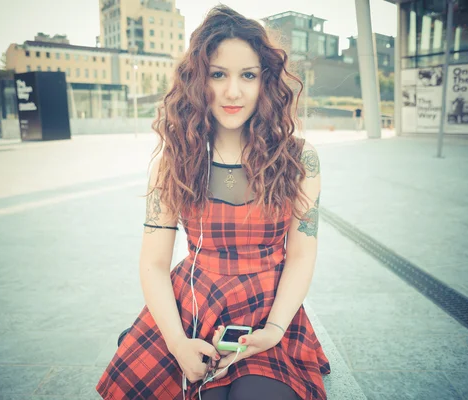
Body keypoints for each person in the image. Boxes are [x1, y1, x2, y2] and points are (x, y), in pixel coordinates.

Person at [96, 5, 330, 400]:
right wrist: (175, 342)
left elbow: (301, 256)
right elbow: (153, 263)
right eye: (218, 74)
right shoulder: (174, 162)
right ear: (197, 80)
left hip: (268, 310)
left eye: (248, 75)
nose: (233, 91)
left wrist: (273, 331)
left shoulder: (299, 158)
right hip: (193, 305)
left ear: (265, 81)